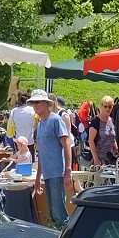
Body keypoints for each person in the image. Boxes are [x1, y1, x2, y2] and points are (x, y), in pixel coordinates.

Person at [30, 88, 72, 227]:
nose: (35, 105)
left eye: (38, 102)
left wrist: (68, 170)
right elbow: (41, 152)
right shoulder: (40, 125)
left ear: (47, 104)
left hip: (57, 173)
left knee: (59, 215)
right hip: (47, 175)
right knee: (54, 214)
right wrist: (37, 177)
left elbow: (66, 144)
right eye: (33, 102)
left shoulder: (56, 119)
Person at [88, 96, 119, 168]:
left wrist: (115, 144)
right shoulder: (96, 121)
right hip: (99, 159)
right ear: (101, 106)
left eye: (110, 107)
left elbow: (111, 134)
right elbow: (91, 141)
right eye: (105, 106)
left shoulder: (111, 120)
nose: (107, 109)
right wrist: (96, 159)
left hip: (110, 158)